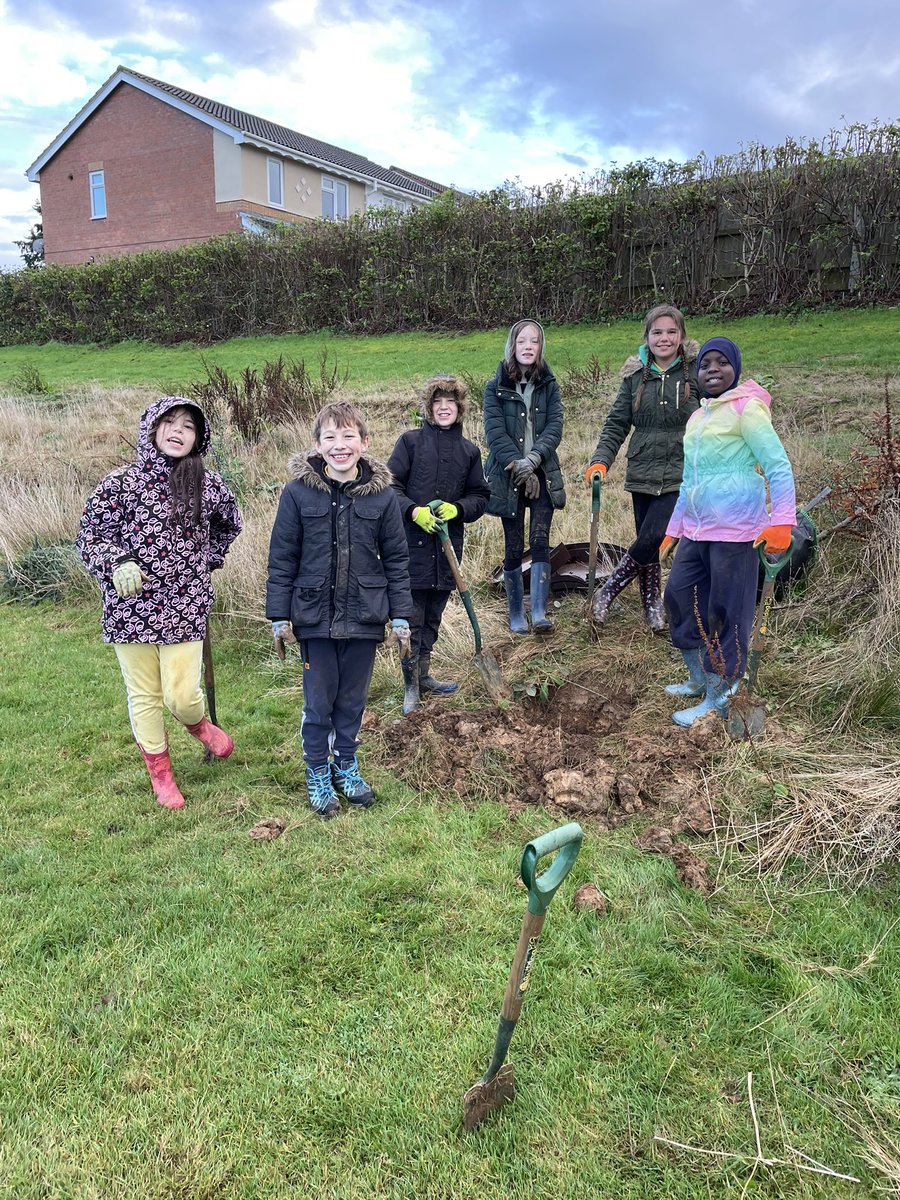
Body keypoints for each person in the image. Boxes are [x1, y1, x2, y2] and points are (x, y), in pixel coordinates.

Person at [76, 397, 242, 810]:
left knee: (181, 694)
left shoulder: (209, 483)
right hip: (129, 607)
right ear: (151, 428)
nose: (178, 431)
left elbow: (231, 524)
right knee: (145, 696)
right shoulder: (120, 484)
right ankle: (161, 774)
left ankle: (198, 723)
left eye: (188, 426)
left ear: (198, 438)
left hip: (185, 604)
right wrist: (116, 562)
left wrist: (207, 559)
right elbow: (91, 536)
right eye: (169, 423)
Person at [266, 401, 412, 818]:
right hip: (313, 619)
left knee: (351, 701)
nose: (340, 445)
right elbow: (282, 558)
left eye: (348, 436)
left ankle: (345, 764)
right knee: (319, 702)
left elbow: (397, 559)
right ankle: (317, 770)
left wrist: (399, 614)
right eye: (330, 437)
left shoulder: (383, 498)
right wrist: (280, 615)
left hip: (365, 616)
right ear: (316, 445)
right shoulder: (297, 494)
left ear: (364, 444)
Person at [661, 337, 796, 726]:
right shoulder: (698, 418)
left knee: (726, 611)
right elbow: (689, 481)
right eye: (705, 364)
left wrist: (782, 521)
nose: (713, 369)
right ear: (697, 373)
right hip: (697, 530)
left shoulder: (746, 409)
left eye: (722, 363)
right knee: (679, 596)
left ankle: (721, 694)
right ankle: (699, 676)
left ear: (735, 368)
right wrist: (674, 530)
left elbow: (778, 466)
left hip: (737, 531)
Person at [585, 303, 699, 632]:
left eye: (671, 332)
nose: (664, 338)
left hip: (682, 469)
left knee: (652, 537)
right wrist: (600, 461)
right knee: (645, 542)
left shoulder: (696, 372)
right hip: (642, 469)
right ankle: (652, 605)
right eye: (657, 332)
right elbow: (616, 424)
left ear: (681, 336)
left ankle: (608, 592)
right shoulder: (635, 377)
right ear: (647, 337)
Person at [387, 375, 490, 714]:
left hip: (447, 552)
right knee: (411, 619)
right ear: (429, 409)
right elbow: (389, 488)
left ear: (460, 409)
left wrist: (457, 509)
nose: (444, 408)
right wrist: (414, 511)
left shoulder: (469, 451)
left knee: (433, 616)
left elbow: (480, 497)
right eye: (438, 403)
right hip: (409, 552)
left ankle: (425, 674)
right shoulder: (410, 443)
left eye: (451, 403)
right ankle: (410, 686)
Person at [484, 319, 565, 634]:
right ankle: (516, 613)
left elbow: (554, 428)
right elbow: (494, 433)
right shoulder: (495, 387)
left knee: (540, 539)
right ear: (512, 346)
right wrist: (519, 467)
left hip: (543, 470)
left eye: (534, 341)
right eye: (522, 341)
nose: (528, 346)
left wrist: (533, 462)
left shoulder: (550, 385)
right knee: (514, 542)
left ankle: (540, 612)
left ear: (541, 347)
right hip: (508, 476)